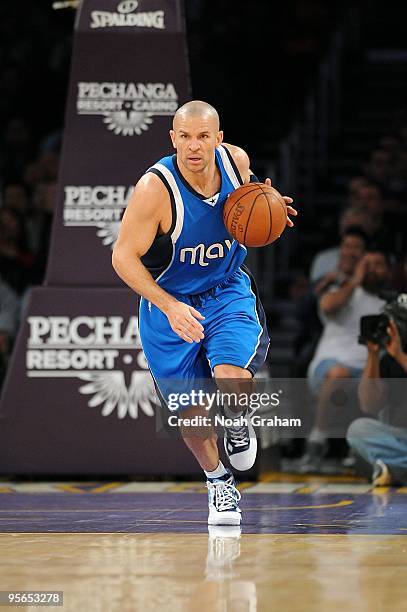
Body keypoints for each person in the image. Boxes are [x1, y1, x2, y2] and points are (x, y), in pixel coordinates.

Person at [112, 100, 297, 525]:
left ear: (219, 138)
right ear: (173, 138)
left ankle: (236, 422)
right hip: (169, 302)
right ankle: (218, 482)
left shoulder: (237, 163)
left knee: (231, 376)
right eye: (185, 137)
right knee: (192, 414)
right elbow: (123, 258)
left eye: (203, 136)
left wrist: (268, 208)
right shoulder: (154, 190)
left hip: (225, 289)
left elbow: (246, 210)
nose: (194, 146)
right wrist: (169, 305)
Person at [300, 242, 391, 472]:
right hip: (329, 369)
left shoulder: (391, 303)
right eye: (367, 264)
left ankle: (368, 450)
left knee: (387, 378)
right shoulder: (343, 290)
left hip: (369, 371)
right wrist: (354, 281)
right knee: (341, 374)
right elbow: (329, 306)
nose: (372, 269)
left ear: (389, 270)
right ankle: (317, 442)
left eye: (378, 265)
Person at [347, 301, 407, 486]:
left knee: (364, 462)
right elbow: (369, 404)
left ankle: (393, 469)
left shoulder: (397, 356)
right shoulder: (388, 360)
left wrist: (400, 357)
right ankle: (396, 468)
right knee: (358, 430)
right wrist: (372, 355)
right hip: (402, 439)